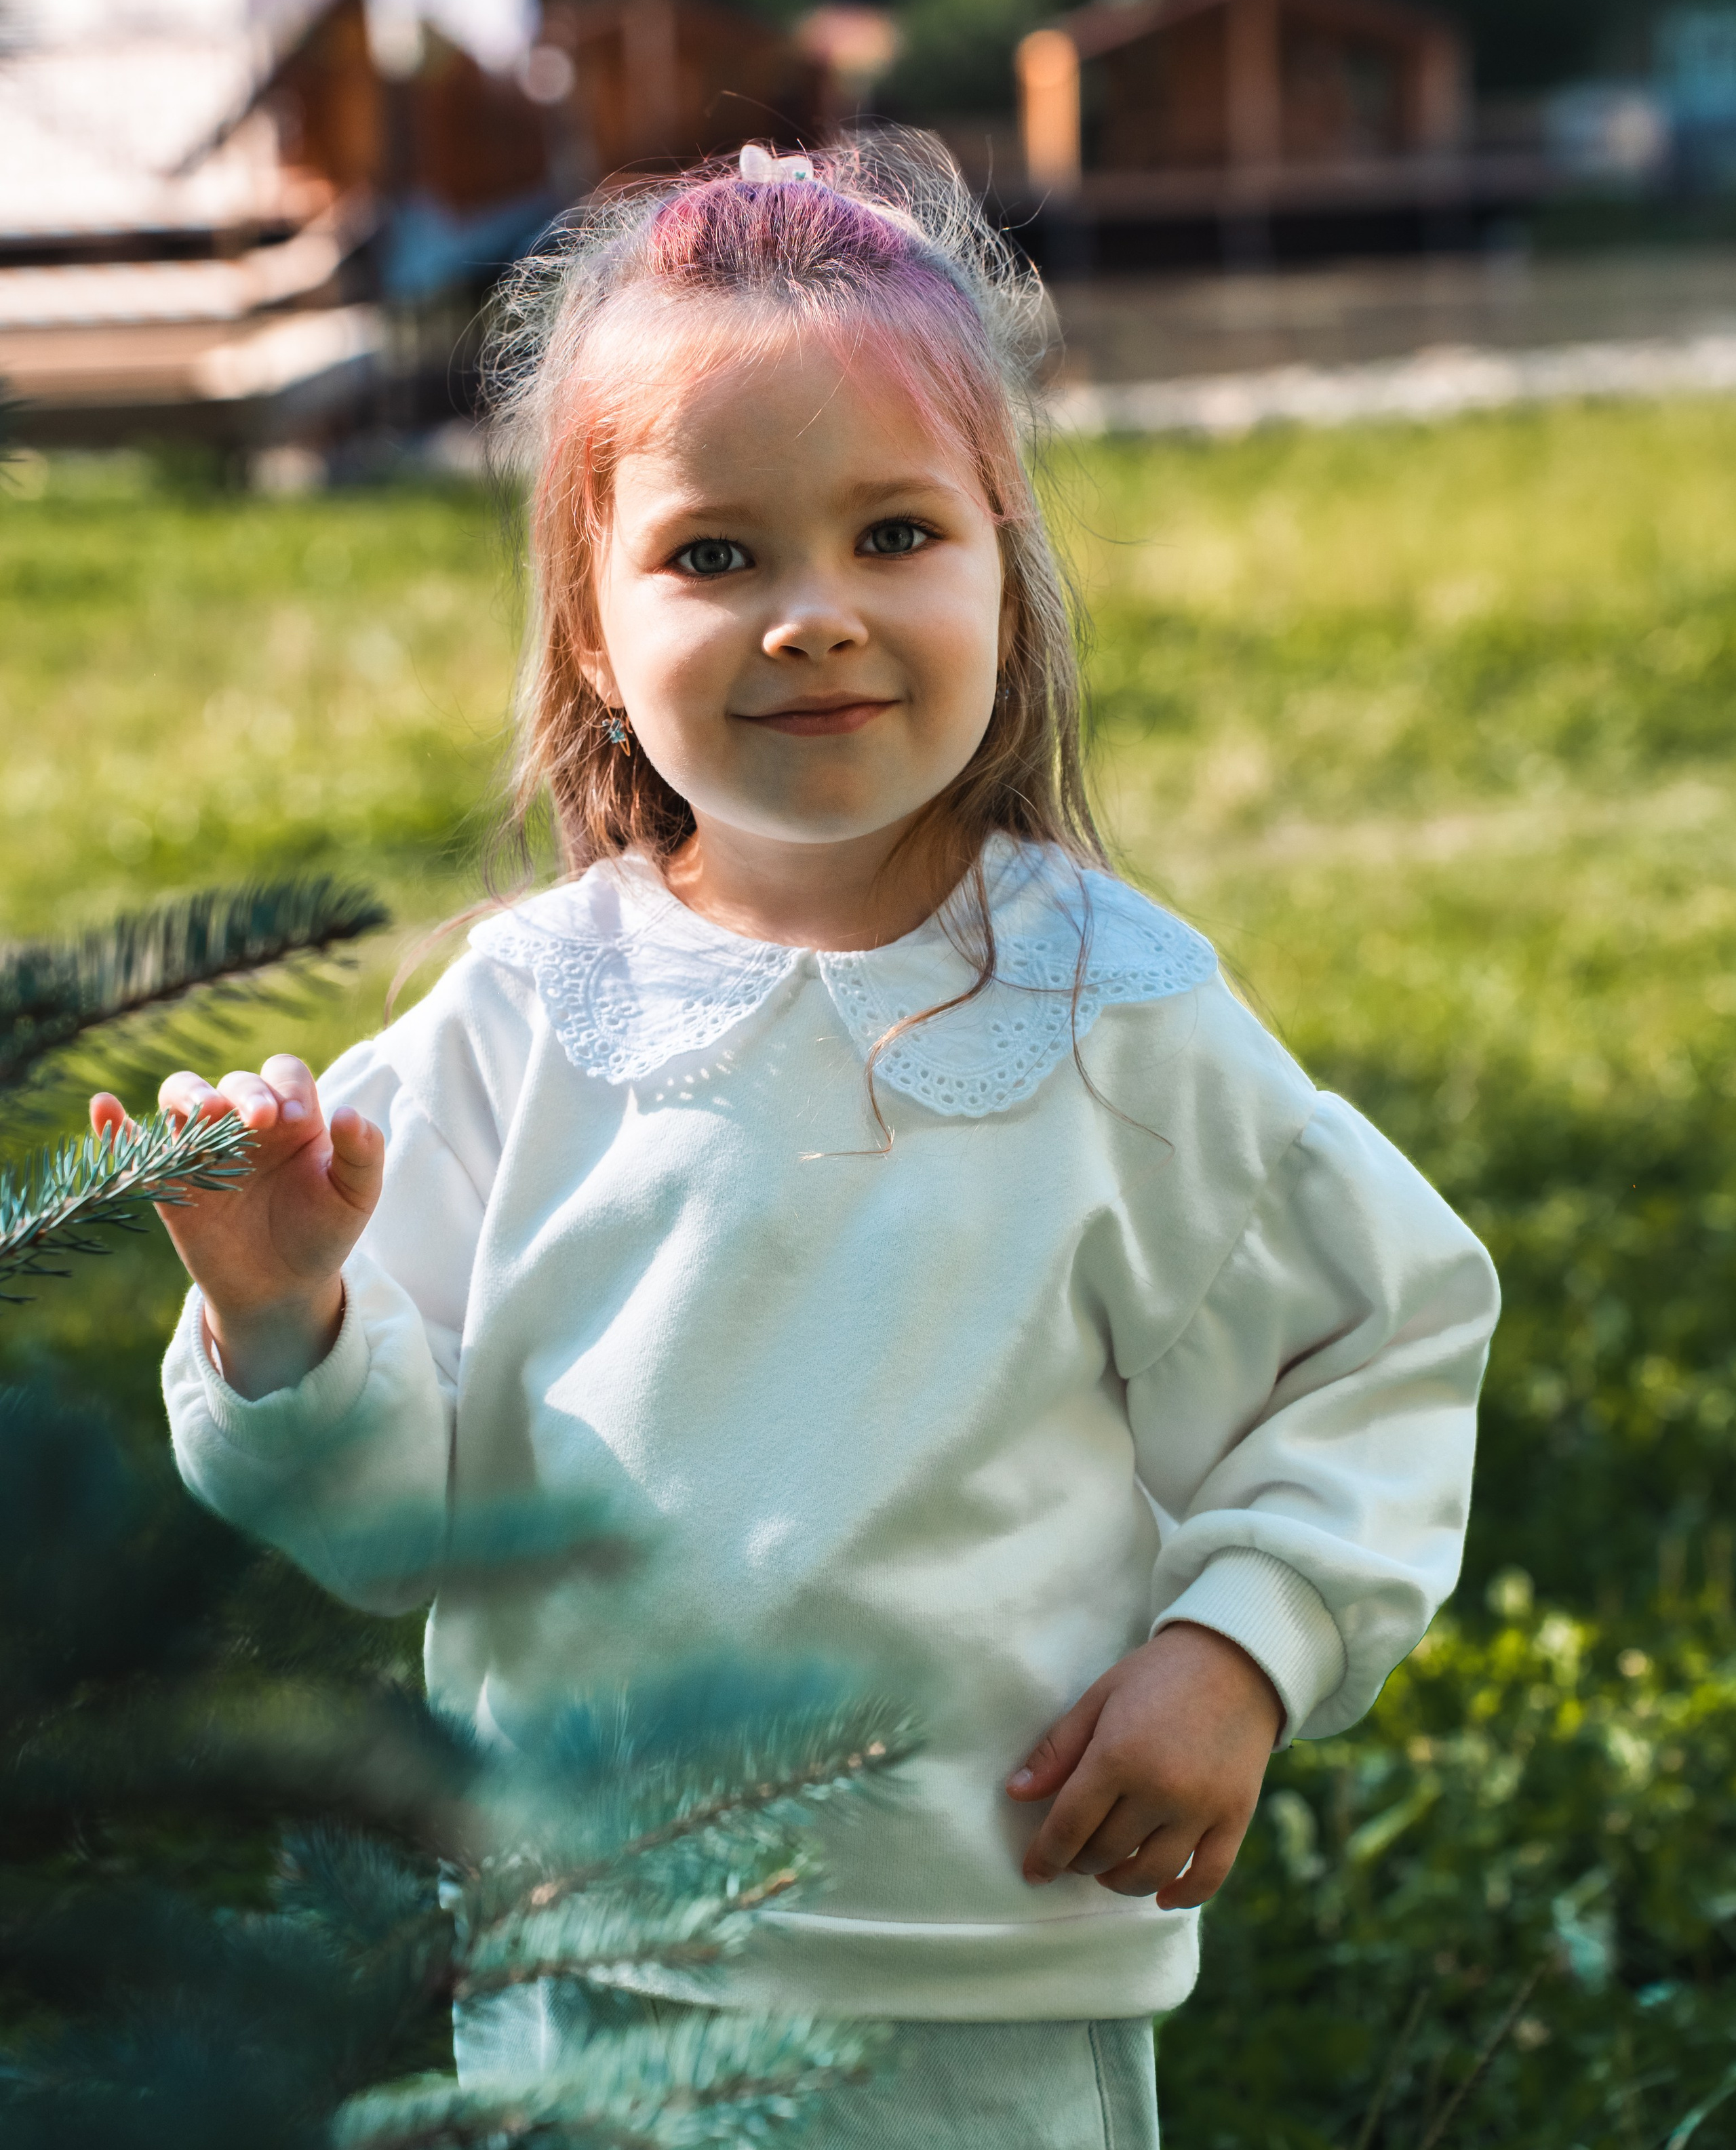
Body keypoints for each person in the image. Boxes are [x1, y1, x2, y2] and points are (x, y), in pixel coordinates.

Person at [97, 136, 1499, 2149]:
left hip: (986, 1964)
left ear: (1005, 562)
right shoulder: (525, 1018)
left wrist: (1239, 1645)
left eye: (897, 533)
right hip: (587, 1959)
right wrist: (288, 1321)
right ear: (591, 627)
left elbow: (1378, 1343)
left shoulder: (1119, 1015)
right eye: (718, 555)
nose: (816, 617)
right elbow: (403, 1523)